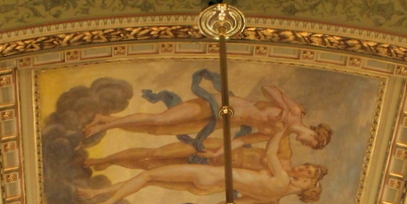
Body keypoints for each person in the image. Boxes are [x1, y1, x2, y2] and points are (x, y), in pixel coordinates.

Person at [77, 123, 326, 204]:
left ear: (306, 186)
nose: (303, 171)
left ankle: (108, 201)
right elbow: (234, 203)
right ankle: (97, 191)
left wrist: (281, 131)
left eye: (308, 176)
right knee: (151, 172)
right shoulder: (272, 198)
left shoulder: (281, 176)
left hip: (207, 174)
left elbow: (270, 151)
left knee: (148, 174)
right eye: (307, 168)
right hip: (210, 175)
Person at [82, 74, 332, 150]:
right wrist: (284, 106)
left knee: (160, 130)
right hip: (221, 105)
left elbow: (243, 140)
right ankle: (104, 125)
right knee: (161, 119)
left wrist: (221, 152)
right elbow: (268, 88)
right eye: (310, 142)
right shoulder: (294, 111)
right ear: (314, 133)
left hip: (220, 123)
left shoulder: (280, 134)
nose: (304, 143)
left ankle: (105, 119)